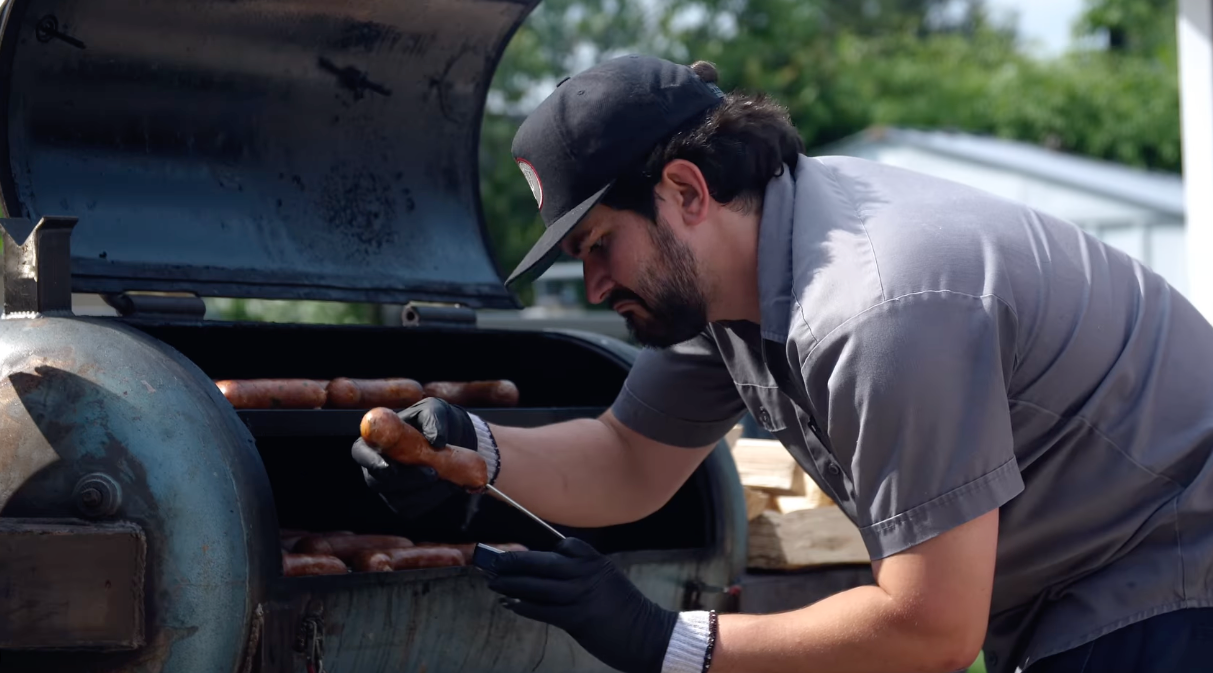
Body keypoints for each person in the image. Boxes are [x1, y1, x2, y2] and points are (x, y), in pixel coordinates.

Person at [352, 55, 1213, 673]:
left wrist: (668, 645)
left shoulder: (875, 310)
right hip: (1099, 590)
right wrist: (469, 451)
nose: (597, 280)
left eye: (599, 243)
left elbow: (931, 633)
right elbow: (630, 461)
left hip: (1170, 575)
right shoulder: (735, 281)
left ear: (686, 191)